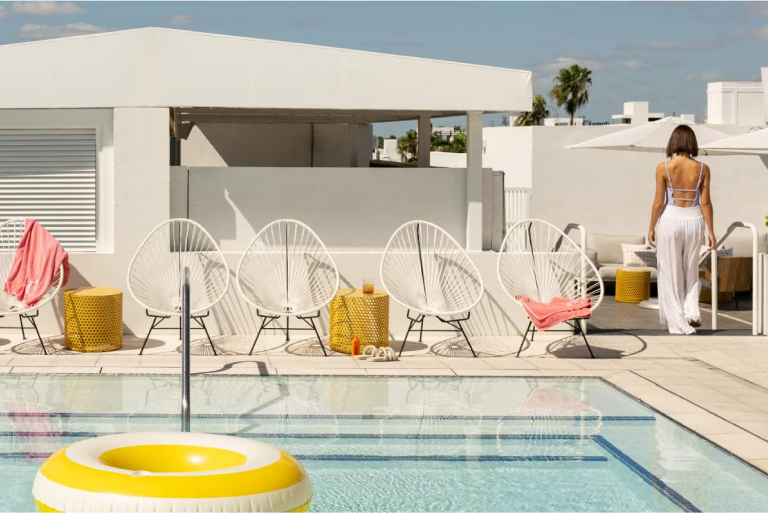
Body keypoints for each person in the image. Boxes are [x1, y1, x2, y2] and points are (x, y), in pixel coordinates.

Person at [647, 125, 715, 335]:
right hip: (694, 219)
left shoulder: (663, 168)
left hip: (671, 220)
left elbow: (659, 202)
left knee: (670, 271)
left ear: (673, 142)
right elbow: (706, 203)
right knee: (691, 270)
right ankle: (692, 313)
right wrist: (711, 231)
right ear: (692, 142)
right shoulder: (703, 168)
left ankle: (676, 320)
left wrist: (651, 227)